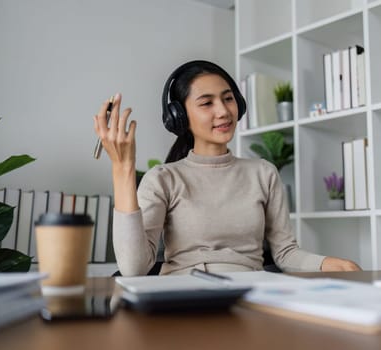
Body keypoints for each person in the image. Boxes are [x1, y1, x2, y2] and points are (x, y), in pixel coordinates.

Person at [93, 60, 361, 276]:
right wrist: (123, 167)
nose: (223, 111)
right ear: (180, 116)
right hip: (184, 297)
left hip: (251, 295)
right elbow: (133, 268)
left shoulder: (263, 173)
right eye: (207, 103)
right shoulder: (164, 178)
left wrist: (329, 263)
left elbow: (285, 253)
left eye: (228, 99)